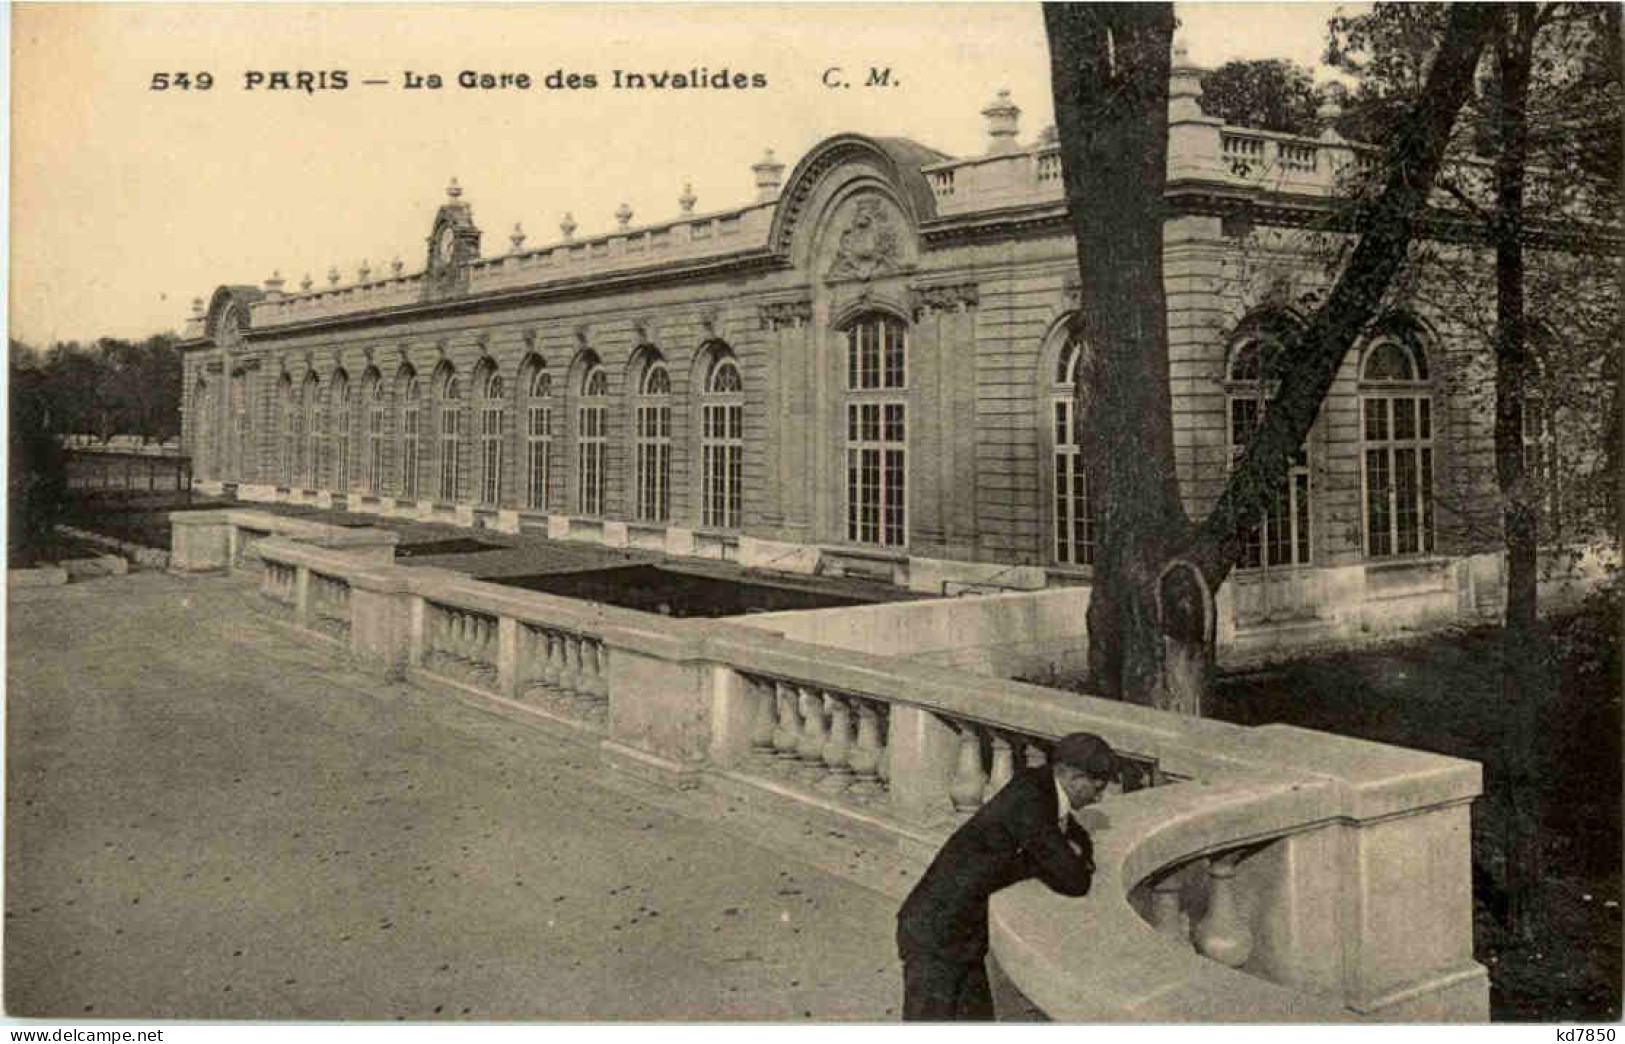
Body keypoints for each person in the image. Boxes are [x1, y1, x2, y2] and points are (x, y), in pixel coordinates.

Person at [895, 731, 1117, 1021]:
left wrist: (1061, 857)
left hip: (960, 933)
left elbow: (1077, 837)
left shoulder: (1038, 783)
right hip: (935, 937)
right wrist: (1053, 862)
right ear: (1074, 777)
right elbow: (1074, 881)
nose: (1098, 797)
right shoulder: (1032, 801)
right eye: (1096, 788)